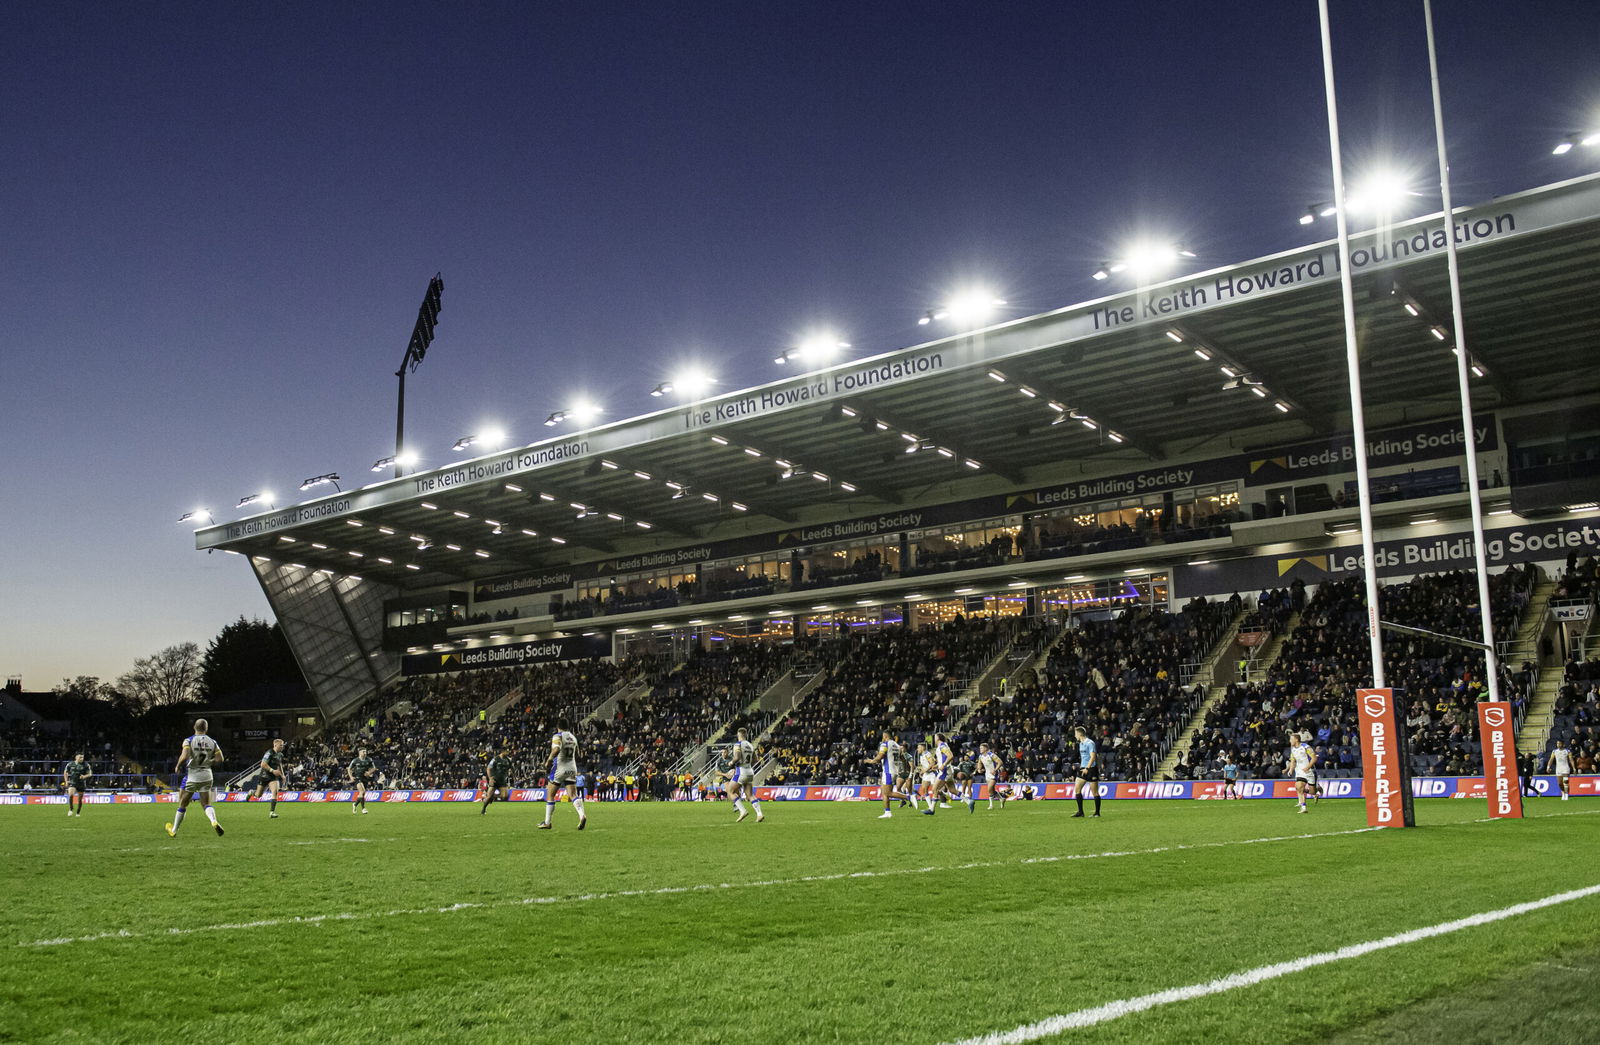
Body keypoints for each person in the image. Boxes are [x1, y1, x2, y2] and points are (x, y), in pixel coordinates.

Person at [166, 718, 225, 837]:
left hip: (193, 775)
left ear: (194, 727)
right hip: (207, 775)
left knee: (183, 804)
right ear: (206, 728)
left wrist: (177, 765)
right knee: (206, 803)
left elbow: (185, 755)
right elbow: (220, 759)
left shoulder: (188, 740)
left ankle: (174, 830)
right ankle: (213, 821)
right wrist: (209, 762)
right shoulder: (212, 741)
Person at [540, 717, 587, 830]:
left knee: (550, 795)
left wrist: (549, 760)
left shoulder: (558, 736)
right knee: (573, 795)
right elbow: (578, 755)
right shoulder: (573, 737)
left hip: (559, 768)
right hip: (572, 768)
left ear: (558, 726)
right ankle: (582, 815)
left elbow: (555, 750)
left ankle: (547, 822)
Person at [866, 729, 907, 819]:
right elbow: (902, 758)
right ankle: (887, 812)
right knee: (884, 792)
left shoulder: (885, 744)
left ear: (885, 736)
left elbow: (881, 755)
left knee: (888, 793)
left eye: (883, 737)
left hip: (888, 771)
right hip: (895, 771)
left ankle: (909, 797)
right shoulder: (897, 745)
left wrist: (872, 761)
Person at [727, 728, 764, 823]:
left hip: (741, 771)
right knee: (750, 795)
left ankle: (743, 811)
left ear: (738, 734)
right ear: (746, 734)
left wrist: (731, 762)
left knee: (730, 791)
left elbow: (737, 757)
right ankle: (759, 814)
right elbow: (755, 759)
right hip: (750, 771)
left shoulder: (738, 744)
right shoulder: (751, 745)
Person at [249, 738, 288, 818]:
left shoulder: (280, 754)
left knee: (275, 792)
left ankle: (272, 812)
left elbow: (279, 764)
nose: (282, 746)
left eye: (283, 745)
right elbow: (263, 764)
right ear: (275, 745)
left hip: (273, 777)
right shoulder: (269, 752)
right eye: (281, 745)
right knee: (258, 795)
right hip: (264, 776)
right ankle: (251, 793)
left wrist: (282, 775)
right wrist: (272, 770)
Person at [1071, 726, 1101, 818]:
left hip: (1091, 769)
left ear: (1079, 734)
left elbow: (1093, 757)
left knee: (1094, 792)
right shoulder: (1081, 743)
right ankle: (1080, 812)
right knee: (1077, 789)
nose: (1075, 735)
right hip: (1082, 768)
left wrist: (1087, 768)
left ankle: (1097, 813)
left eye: (1075, 733)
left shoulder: (1090, 743)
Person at [1286, 732, 1318, 813]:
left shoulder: (1305, 747)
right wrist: (1290, 770)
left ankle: (1317, 791)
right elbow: (1293, 761)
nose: (1290, 741)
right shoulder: (1293, 750)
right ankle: (1303, 807)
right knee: (1299, 786)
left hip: (1309, 771)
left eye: (1291, 739)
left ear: (1296, 740)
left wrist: (1308, 767)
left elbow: (1314, 758)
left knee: (1312, 791)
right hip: (1300, 771)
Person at [480, 744, 512, 814]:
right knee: (488, 797)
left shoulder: (508, 760)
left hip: (502, 781)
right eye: (507, 751)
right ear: (503, 751)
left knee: (505, 797)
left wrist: (514, 777)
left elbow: (511, 769)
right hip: (494, 780)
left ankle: (493, 797)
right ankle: (483, 809)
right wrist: (490, 778)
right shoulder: (495, 759)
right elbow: (488, 768)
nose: (508, 753)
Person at [346, 747, 379, 814]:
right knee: (362, 791)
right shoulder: (355, 760)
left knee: (362, 793)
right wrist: (351, 777)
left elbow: (374, 768)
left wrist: (369, 773)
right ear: (359, 752)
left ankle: (355, 805)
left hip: (365, 778)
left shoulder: (369, 759)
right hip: (357, 777)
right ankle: (363, 808)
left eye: (365, 752)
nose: (365, 753)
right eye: (363, 752)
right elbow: (349, 768)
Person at [60, 752, 91, 817]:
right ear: (76, 757)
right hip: (73, 782)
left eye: (82, 757)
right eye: (80, 757)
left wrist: (84, 776)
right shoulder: (70, 764)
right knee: (71, 795)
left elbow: (90, 774)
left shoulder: (86, 764)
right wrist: (66, 781)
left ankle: (78, 812)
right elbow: (65, 772)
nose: (82, 759)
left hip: (81, 783)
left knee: (80, 799)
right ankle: (71, 809)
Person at [977, 743, 1005, 810]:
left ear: (986, 748)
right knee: (992, 790)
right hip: (987, 774)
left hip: (994, 774)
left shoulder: (991, 755)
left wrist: (995, 770)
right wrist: (979, 769)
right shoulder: (980, 756)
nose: (980, 749)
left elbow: (1000, 762)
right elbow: (979, 763)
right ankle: (1001, 798)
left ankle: (991, 805)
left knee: (989, 788)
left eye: (981, 748)